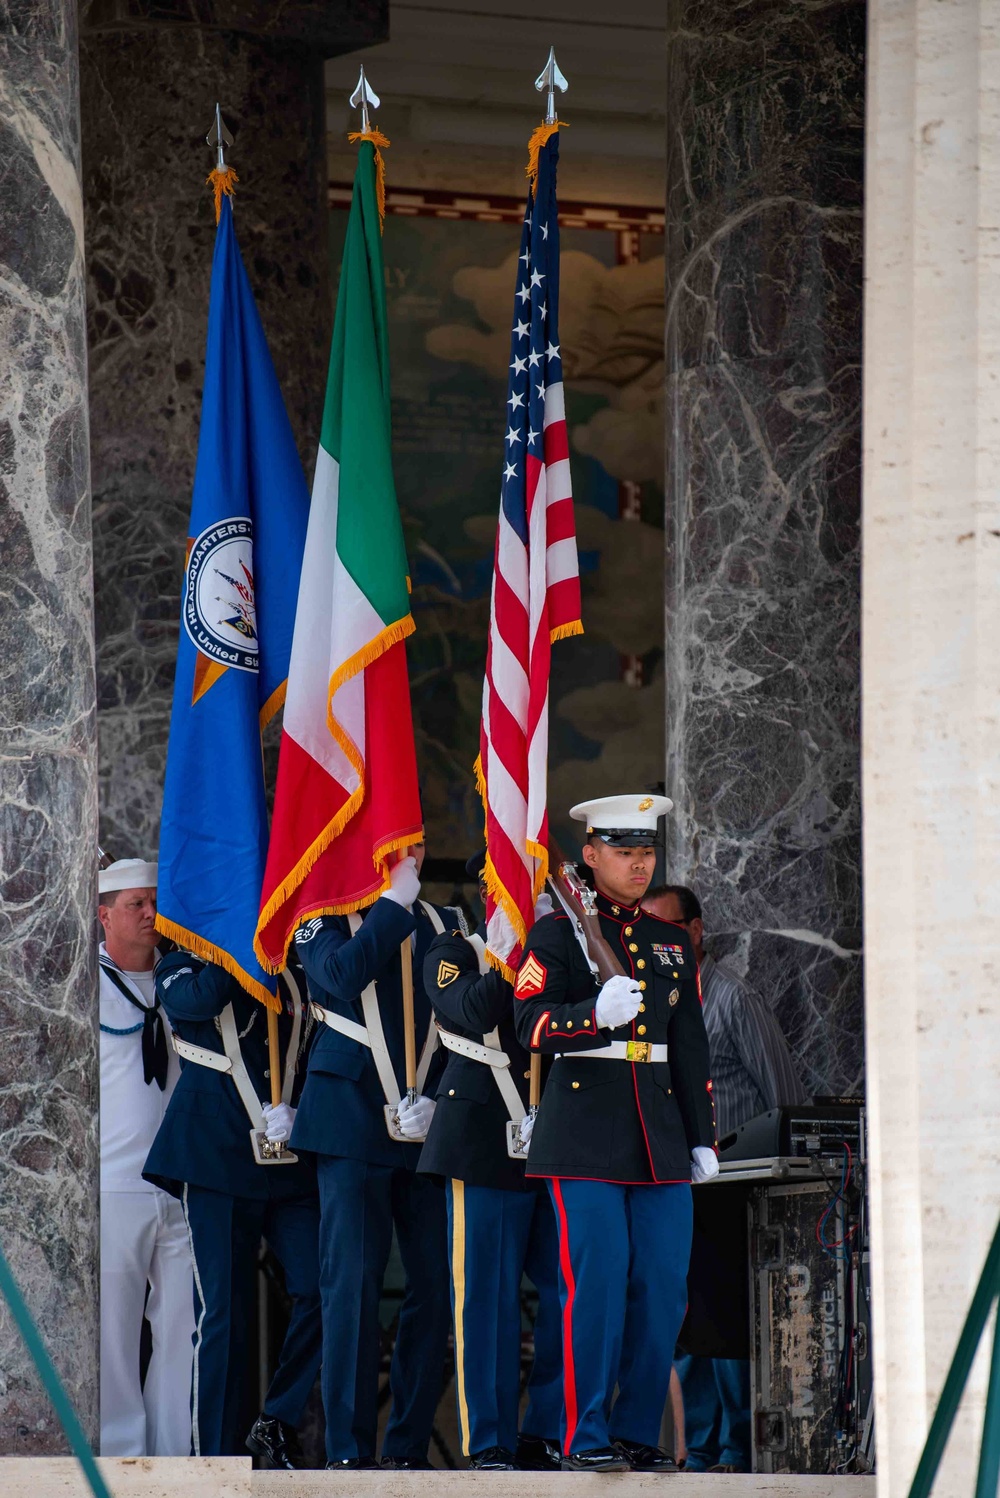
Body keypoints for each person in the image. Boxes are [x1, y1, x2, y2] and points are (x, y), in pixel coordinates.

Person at [512, 795, 718, 1473]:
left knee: (662, 1286)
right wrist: (589, 1015)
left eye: (647, 851)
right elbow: (529, 1026)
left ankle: (634, 1430)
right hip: (585, 1135)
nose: (638, 863)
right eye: (625, 852)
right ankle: (584, 1433)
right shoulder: (555, 936)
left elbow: (688, 1046)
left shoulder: (667, 944)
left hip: (658, 1137)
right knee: (594, 1284)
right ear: (591, 856)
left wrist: (701, 1135)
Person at [289, 845, 466, 1471]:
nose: (409, 857)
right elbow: (339, 977)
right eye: (395, 846)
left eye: (416, 847)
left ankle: (407, 1451)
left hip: (426, 1129)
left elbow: (464, 1022)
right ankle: (347, 1454)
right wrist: (392, 903)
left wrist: (445, 1102)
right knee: (352, 1290)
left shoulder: (447, 923)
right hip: (349, 1121)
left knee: (439, 1291)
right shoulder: (320, 916)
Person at [642, 883, 808, 1474]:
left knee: (730, 1325)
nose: (651, 941)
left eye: (663, 929)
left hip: (735, 1190)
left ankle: (738, 1451)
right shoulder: (645, 1001)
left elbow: (785, 1097)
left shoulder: (733, 999)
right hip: (672, 1189)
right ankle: (699, 1450)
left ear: (694, 931)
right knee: (684, 1320)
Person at [143, 950, 321, 1466]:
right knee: (225, 1312)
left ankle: (276, 1419)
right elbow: (196, 1002)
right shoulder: (179, 963)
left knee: (324, 1288)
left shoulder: (293, 966)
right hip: (215, 1155)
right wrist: (237, 947)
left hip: (287, 1161)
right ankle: (215, 1456)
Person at [418, 851, 562, 1472]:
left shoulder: (563, 954)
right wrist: (515, 954)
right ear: (486, 889)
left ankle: (548, 1429)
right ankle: (493, 1440)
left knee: (570, 1290)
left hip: (557, 1140)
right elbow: (474, 1010)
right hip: (482, 1140)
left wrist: (551, 948)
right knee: (487, 1297)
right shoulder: (452, 952)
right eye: (507, 885)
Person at [98, 858, 194, 1457]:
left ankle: (172, 1454)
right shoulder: (79, 988)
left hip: (182, 1184)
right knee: (114, 1331)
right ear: (104, 914)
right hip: (116, 1183)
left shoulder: (185, 981)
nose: (149, 913)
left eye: (154, 901)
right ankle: (121, 1454)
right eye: (135, 903)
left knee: (183, 1326)